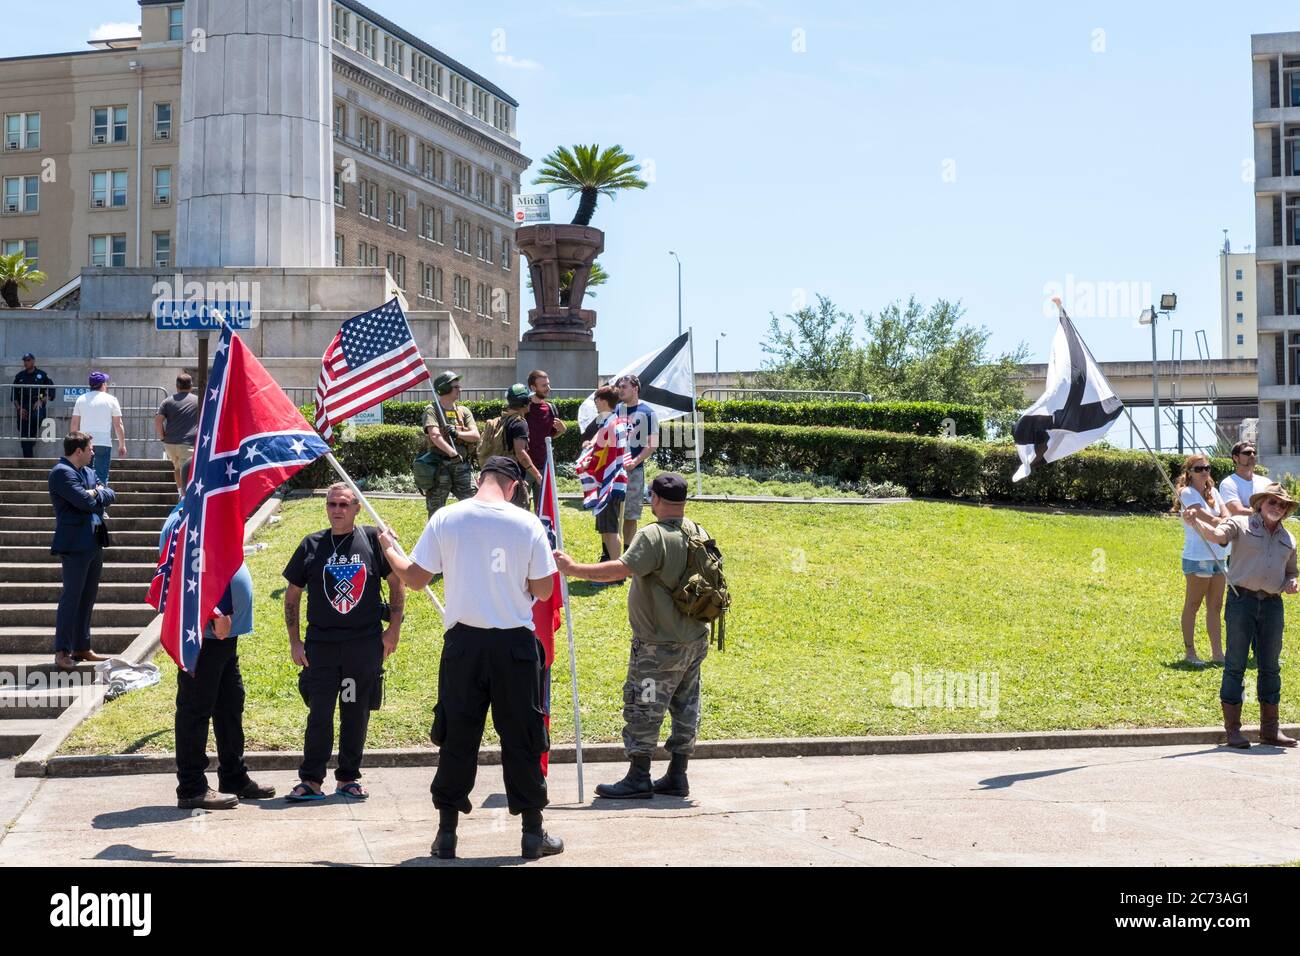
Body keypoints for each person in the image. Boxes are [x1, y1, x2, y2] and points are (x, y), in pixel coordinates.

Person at [378, 456, 563, 860]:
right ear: (513, 486)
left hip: (463, 645)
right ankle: (533, 832)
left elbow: (415, 577)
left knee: (457, 736)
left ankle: (446, 834)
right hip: (513, 644)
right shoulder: (527, 523)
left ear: (480, 480)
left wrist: (390, 549)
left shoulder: (447, 517)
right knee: (523, 737)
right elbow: (545, 591)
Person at [554, 473, 709, 800]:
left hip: (658, 646)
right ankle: (678, 775)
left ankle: (639, 776)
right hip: (694, 641)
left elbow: (619, 570)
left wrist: (573, 569)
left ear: (655, 500)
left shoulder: (653, 536)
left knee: (644, 703)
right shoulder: (698, 530)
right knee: (685, 705)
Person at [282, 483, 405, 801]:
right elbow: (292, 596)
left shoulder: (372, 540)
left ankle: (348, 777)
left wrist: (393, 630)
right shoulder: (312, 545)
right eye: (332, 504)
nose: (337, 509)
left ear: (357, 507)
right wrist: (295, 642)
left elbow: (396, 584)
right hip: (321, 647)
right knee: (319, 713)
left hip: (362, 646)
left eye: (344, 504)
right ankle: (311, 780)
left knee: (355, 710)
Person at [1182, 482, 1299, 749]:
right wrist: (1196, 524)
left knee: (1270, 666)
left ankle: (1270, 730)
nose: (1277, 508)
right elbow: (1216, 536)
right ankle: (1233, 730)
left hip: (1272, 605)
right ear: (1260, 503)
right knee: (1235, 664)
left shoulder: (1288, 539)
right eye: (1272, 502)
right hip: (1241, 601)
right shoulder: (1239, 524)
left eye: (1282, 505)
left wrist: (1293, 583)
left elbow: (1292, 571)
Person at [171, 557, 276, 810]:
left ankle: (233, 776)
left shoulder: (213, 518)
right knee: (195, 709)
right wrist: (217, 610)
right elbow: (192, 570)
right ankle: (191, 787)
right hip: (204, 634)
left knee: (230, 703)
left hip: (224, 636)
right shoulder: (193, 519)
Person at [48, 432, 116, 671]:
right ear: (79, 451)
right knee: (72, 597)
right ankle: (62, 650)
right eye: (90, 448)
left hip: (94, 541)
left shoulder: (88, 472)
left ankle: (81, 646)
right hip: (75, 544)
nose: (93, 452)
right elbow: (84, 503)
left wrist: (96, 492)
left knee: (87, 597)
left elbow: (110, 494)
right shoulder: (61, 473)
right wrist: (94, 495)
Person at [1172, 454, 1227, 665]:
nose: (1204, 471)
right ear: (1189, 473)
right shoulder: (1186, 493)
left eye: (1207, 467)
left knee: (1215, 606)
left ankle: (1218, 654)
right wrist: (1221, 520)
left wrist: (1222, 519)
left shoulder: (1214, 491)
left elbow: (1225, 515)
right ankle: (1190, 653)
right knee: (1193, 604)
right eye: (1198, 468)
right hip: (1198, 556)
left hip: (1219, 555)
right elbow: (1213, 519)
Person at [420, 371, 479, 517]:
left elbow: (475, 435)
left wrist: (458, 433)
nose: (460, 389)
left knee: (474, 505)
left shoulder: (464, 411)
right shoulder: (432, 410)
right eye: (456, 387)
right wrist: (452, 453)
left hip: (462, 467)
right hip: (440, 468)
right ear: (444, 389)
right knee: (436, 511)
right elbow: (434, 435)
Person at [579, 384, 626, 566]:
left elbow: (607, 454)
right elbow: (600, 443)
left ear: (604, 401)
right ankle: (612, 569)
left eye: (596, 400)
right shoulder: (609, 422)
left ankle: (616, 572)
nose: (595, 403)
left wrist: (589, 460)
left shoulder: (611, 424)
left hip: (610, 482)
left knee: (611, 529)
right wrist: (591, 445)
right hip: (608, 482)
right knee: (606, 529)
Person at [614, 374, 659, 553]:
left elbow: (652, 444)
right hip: (613, 471)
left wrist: (635, 461)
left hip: (634, 471)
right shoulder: (615, 410)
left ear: (635, 388)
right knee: (611, 514)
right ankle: (610, 553)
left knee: (630, 515)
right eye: (619, 387)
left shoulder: (648, 413)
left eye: (624, 386)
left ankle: (628, 554)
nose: (620, 390)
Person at [481, 383, 540, 510]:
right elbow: (521, 453)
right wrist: (537, 475)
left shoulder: (500, 420)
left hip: (496, 477)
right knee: (519, 515)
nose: (531, 402)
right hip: (512, 479)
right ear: (524, 402)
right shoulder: (519, 424)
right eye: (529, 400)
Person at [70, 371, 126, 486]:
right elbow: (118, 424)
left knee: (83, 476)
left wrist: (73, 444)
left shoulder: (81, 399)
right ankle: (100, 502)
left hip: (84, 442)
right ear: (103, 384)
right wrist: (122, 444)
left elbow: (74, 423)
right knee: (101, 477)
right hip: (103, 442)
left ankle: (85, 500)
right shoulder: (112, 400)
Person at [525, 369, 567, 511]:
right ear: (533, 387)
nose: (548, 388)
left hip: (544, 466)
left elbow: (549, 436)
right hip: (523, 467)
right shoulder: (524, 407)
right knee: (520, 509)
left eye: (548, 384)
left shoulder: (550, 408)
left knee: (543, 510)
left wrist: (562, 431)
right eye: (543, 385)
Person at [154, 373, 199, 495]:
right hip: (188, 443)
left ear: (176, 386)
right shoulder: (197, 401)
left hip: (170, 443)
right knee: (187, 470)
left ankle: (180, 493)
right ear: (191, 386)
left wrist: (162, 437)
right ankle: (185, 497)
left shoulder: (167, 401)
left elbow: (158, 420)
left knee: (177, 468)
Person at [12, 352, 54, 459]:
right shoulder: (20, 376)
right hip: (23, 407)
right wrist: (19, 409)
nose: (26, 362)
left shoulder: (42, 375)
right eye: (25, 360)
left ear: (33, 361)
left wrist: (41, 400)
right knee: (24, 434)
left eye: (28, 360)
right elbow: (14, 395)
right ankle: (28, 459)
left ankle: (32, 438)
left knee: (36, 418)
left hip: (37, 404)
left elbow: (51, 391)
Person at [1218, 441, 1270, 517]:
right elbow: (1238, 511)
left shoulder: (1266, 482)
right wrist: (1265, 511)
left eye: (1254, 453)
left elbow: (1276, 506)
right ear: (1236, 458)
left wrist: (1250, 509)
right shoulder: (1228, 483)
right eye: (1247, 453)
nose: (1252, 455)